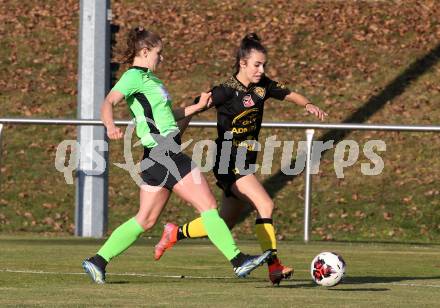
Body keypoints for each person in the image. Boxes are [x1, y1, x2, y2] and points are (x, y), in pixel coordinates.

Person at [81, 28, 272, 284]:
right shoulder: (133, 77)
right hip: (165, 153)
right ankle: (238, 261)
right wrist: (110, 125)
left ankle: (97, 261)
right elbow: (108, 102)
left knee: (145, 220)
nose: (162, 58)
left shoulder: (154, 82)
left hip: (156, 156)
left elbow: (170, 115)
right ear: (145, 52)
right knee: (208, 206)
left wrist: (198, 106)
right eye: (159, 53)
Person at [154, 33, 327, 285]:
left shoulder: (263, 86)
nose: (261, 69)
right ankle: (274, 266)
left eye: (264, 64)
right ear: (242, 64)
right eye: (257, 64)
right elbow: (195, 107)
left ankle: (174, 233)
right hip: (227, 160)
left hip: (245, 161)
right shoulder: (224, 91)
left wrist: (308, 104)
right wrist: (177, 134)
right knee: (265, 205)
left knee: (223, 223)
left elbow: (290, 94)